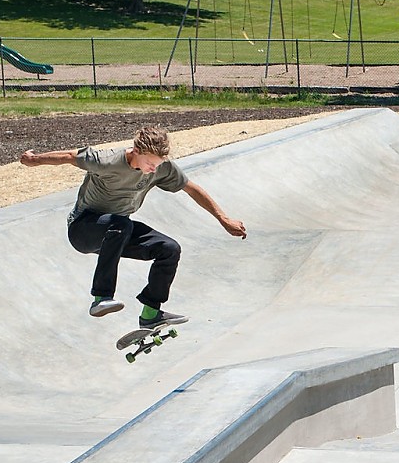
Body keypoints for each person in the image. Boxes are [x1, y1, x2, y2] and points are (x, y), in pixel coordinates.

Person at [20, 125, 246, 329]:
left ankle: (151, 313)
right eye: (149, 164)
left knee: (169, 249)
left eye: (156, 165)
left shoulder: (162, 168)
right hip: (83, 228)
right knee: (120, 224)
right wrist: (34, 159)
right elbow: (70, 156)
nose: (152, 170)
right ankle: (101, 297)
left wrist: (223, 219)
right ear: (136, 150)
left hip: (116, 232)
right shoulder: (106, 160)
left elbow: (191, 188)